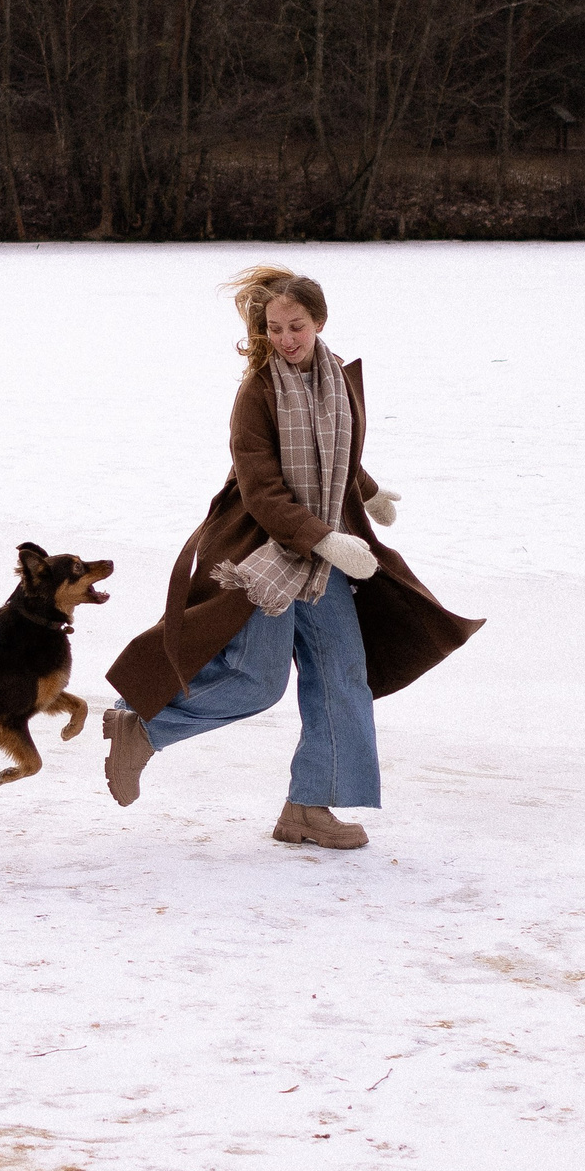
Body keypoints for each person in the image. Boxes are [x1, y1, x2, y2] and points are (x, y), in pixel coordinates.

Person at [101, 265, 481, 848]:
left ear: (319, 321)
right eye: (274, 328)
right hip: (264, 554)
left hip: (321, 552)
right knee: (256, 681)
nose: (285, 339)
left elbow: (335, 453)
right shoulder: (256, 392)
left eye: (295, 326)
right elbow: (262, 488)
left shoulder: (336, 378)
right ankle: (144, 729)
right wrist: (325, 539)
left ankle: (307, 807)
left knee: (341, 675)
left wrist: (369, 491)